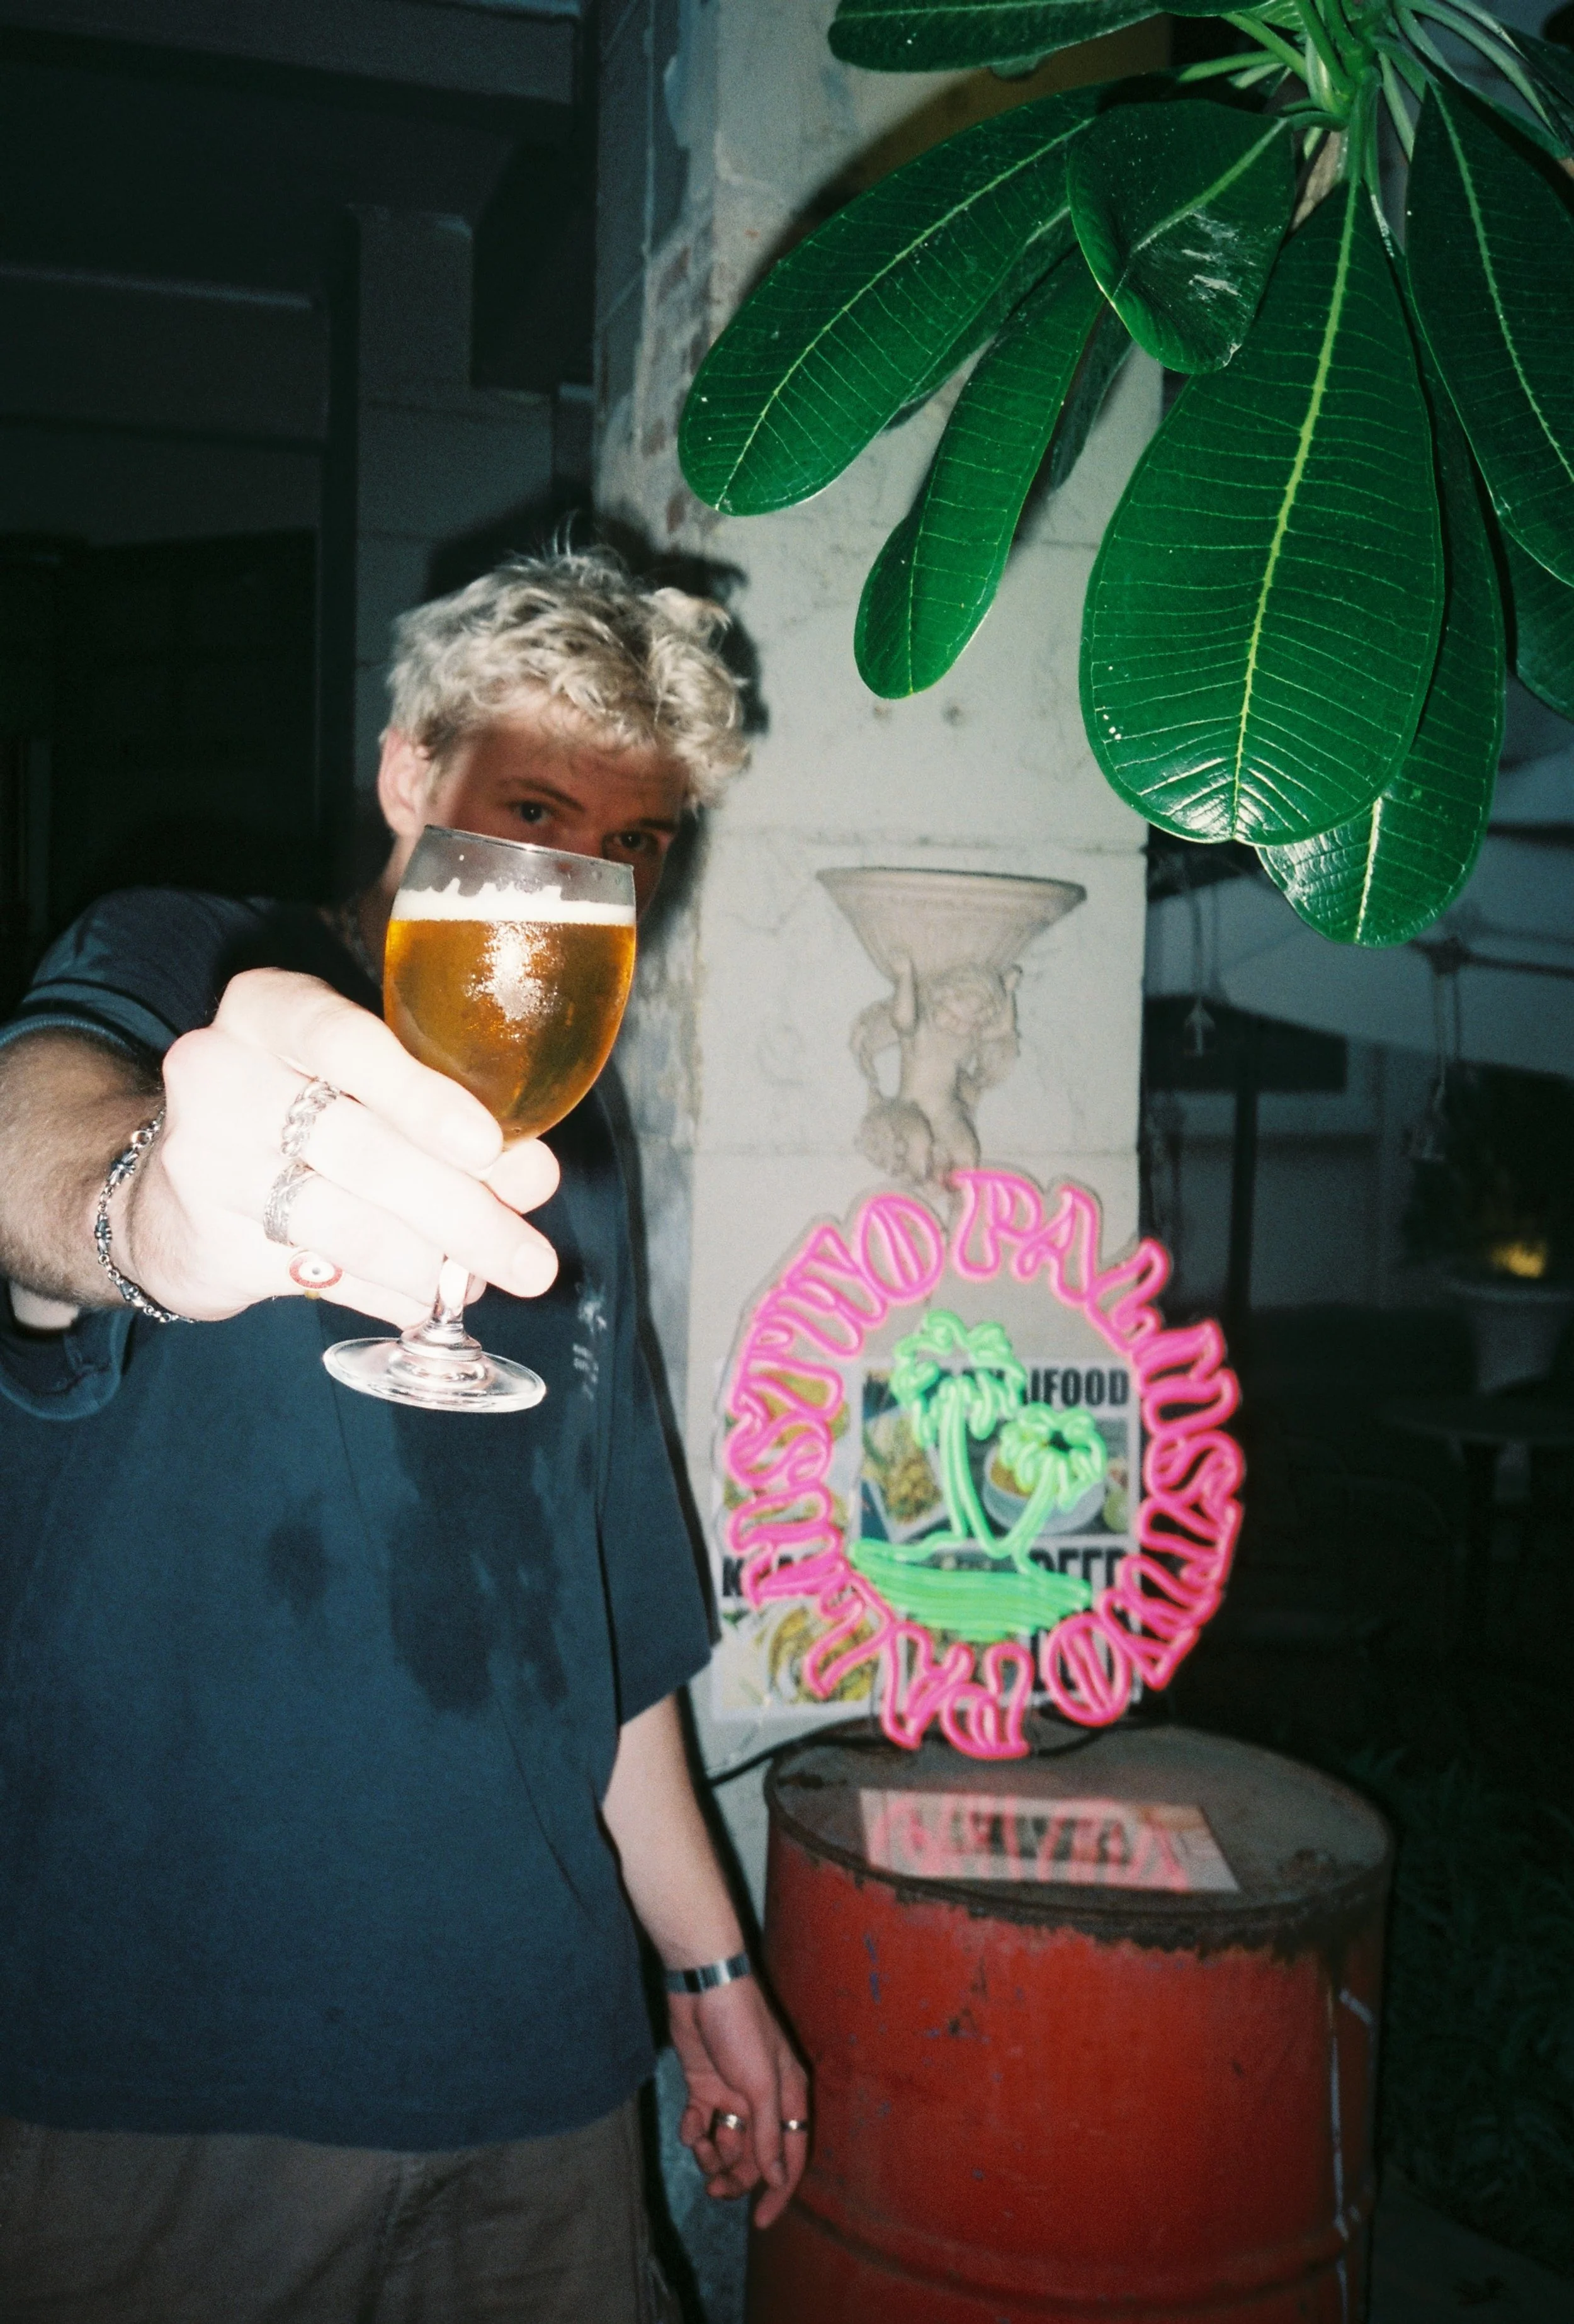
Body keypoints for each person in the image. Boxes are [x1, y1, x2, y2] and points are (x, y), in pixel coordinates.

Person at [0, 550, 808, 2322]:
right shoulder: (186, 964)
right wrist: (154, 1211)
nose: (581, 881)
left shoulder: (579, 1150)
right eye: (533, 813)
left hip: (541, 2067)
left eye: (635, 841)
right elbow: (33, 1138)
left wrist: (708, 1970)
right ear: (404, 774)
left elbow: (599, 1622)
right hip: (169, 2088)